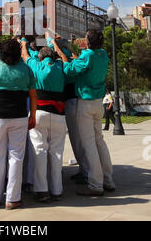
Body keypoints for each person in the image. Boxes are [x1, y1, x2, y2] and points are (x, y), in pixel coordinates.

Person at [53, 29, 115, 196]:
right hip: (97, 103)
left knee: (89, 144)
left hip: (86, 103)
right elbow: (83, 62)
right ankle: (108, 180)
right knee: (99, 141)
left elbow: (69, 70)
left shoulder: (87, 55)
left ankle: (95, 184)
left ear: (88, 42)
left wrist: (59, 50)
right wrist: (73, 54)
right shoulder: (102, 54)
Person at [0, 39, 37, 210]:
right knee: (16, 157)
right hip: (19, 116)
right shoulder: (26, 68)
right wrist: (32, 115)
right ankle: (13, 198)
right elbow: (33, 95)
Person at [21, 39, 66, 201]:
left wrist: (23, 42)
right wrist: (53, 43)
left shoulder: (36, 65)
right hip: (60, 113)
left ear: (40, 58)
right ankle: (57, 190)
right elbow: (65, 60)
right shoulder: (60, 65)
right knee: (57, 153)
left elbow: (25, 55)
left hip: (40, 112)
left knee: (39, 150)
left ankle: (41, 190)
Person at [45, 31, 90, 184]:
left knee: (76, 138)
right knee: (78, 138)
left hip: (69, 101)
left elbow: (52, 44)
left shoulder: (61, 58)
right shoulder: (71, 56)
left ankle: (86, 171)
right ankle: (85, 169)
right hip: (73, 100)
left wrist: (51, 37)